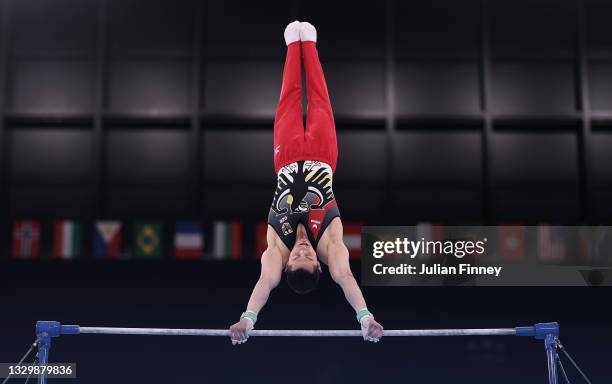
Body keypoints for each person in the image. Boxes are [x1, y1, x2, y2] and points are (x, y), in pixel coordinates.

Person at [228, 21, 384, 345]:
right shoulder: (330, 244)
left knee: (288, 100)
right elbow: (345, 277)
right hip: (323, 155)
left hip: (285, 158)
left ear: (287, 267)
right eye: (309, 259)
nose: (301, 251)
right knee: (320, 101)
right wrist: (365, 317)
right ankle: (309, 45)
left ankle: (291, 46)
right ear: (318, 264)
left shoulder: (275, 251)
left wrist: (248, 318)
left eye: (297, 259)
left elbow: (263, 285)